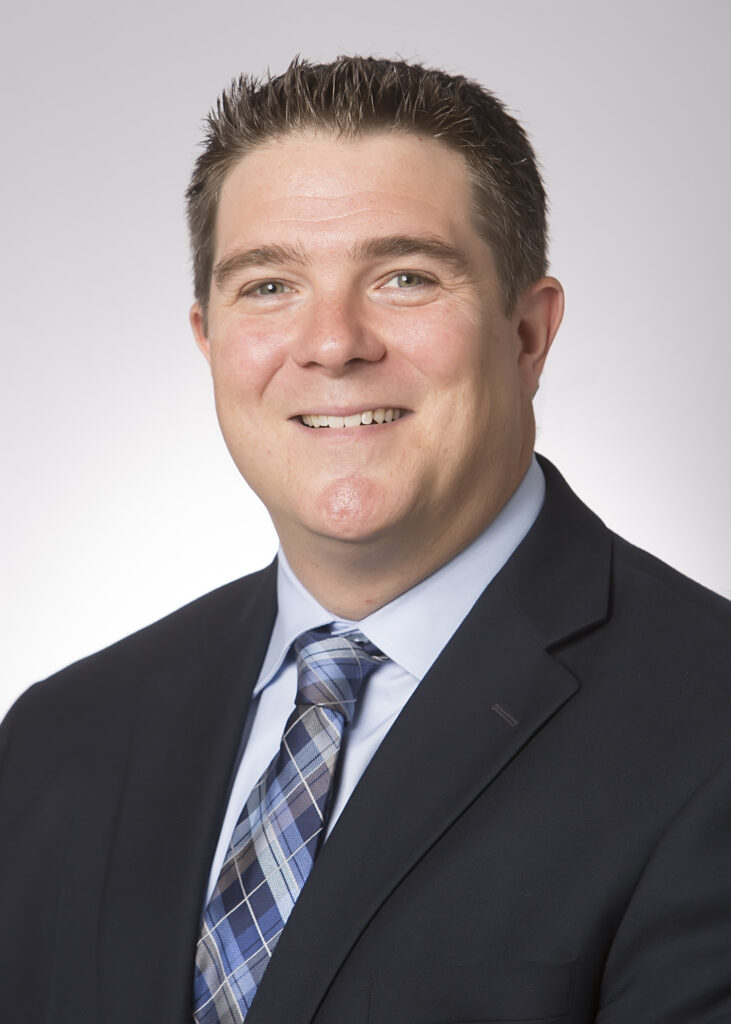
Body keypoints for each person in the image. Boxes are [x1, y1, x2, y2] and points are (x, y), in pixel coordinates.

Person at [1, 55, 730, 1024]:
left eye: (403, 276)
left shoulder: (706, 725)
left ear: (526, 334)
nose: (333, 342)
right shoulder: (58, 740)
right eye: (267, 286)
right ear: (209, 340)